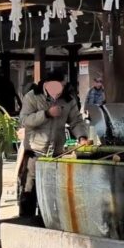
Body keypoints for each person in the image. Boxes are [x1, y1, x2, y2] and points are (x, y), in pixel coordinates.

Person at [18, 68, 89, 218]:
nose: (59, 90)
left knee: (51, 198)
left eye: (62, 86)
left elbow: (76, 120)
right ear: (47, 84)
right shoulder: (32, 96)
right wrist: (46, 114)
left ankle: (47, 225)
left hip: (56, 154)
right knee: (29, 194)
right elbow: (24, 120)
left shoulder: (68, 99)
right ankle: (26, 226)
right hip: (34, 152)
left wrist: (82, 136)